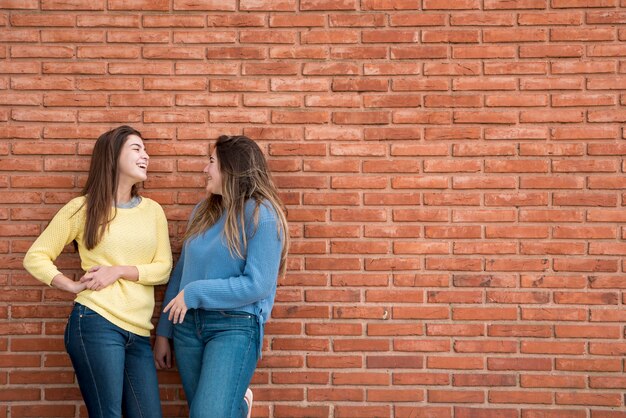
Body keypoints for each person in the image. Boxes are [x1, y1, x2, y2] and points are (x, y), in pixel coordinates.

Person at [23, 125, 172, 418]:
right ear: (113, 156)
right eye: (137, 149)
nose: (146, 156)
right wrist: (72, 286)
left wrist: (118, 271)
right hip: (96, 322)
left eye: (146, 150)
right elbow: (36, 257)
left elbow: (163, 269)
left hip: (139, 333)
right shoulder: (82, 208)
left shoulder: (153, 211)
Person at [153, 135, 289, 418]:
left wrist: (196, 293)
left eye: (212, 162)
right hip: (187, 328)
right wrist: (164, 333)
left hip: (234, 327)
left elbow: (258, 284)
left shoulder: (261, 215)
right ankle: (238, 407)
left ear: (231, 168)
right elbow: (182, 273)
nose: (205, 169)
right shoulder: (203, 212)